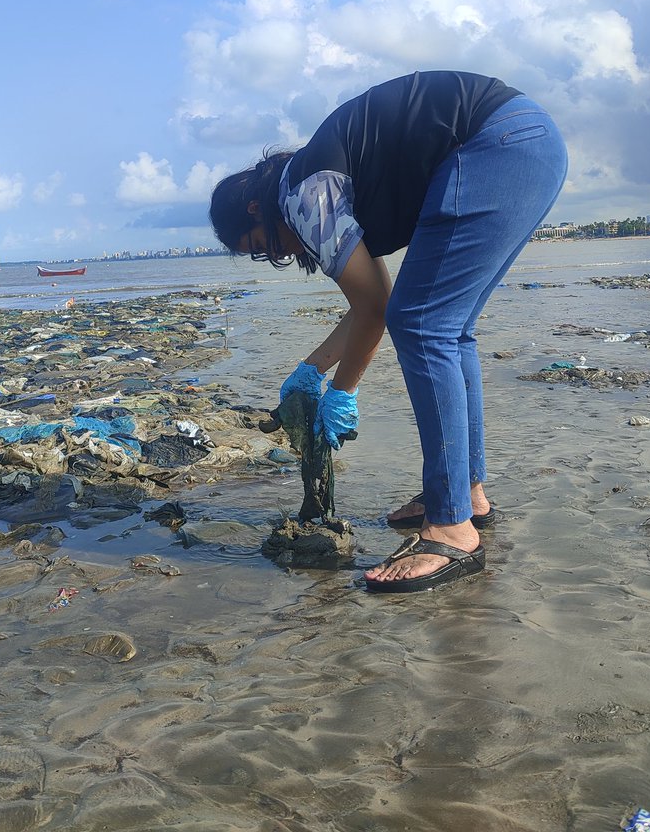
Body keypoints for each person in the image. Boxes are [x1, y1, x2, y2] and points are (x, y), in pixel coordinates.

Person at [209, 71, 568, 594]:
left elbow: (380, 310)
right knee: (449, 330)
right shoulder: (321, 181)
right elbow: (372, 304)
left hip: (495, 144)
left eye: (263, 244)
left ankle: (449, 526)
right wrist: (310, 371)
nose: (280, 256)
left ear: (253, 208)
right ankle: (465, 495)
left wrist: (342, 392)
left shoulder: (305, 198)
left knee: (426, 326)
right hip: (529, 142)